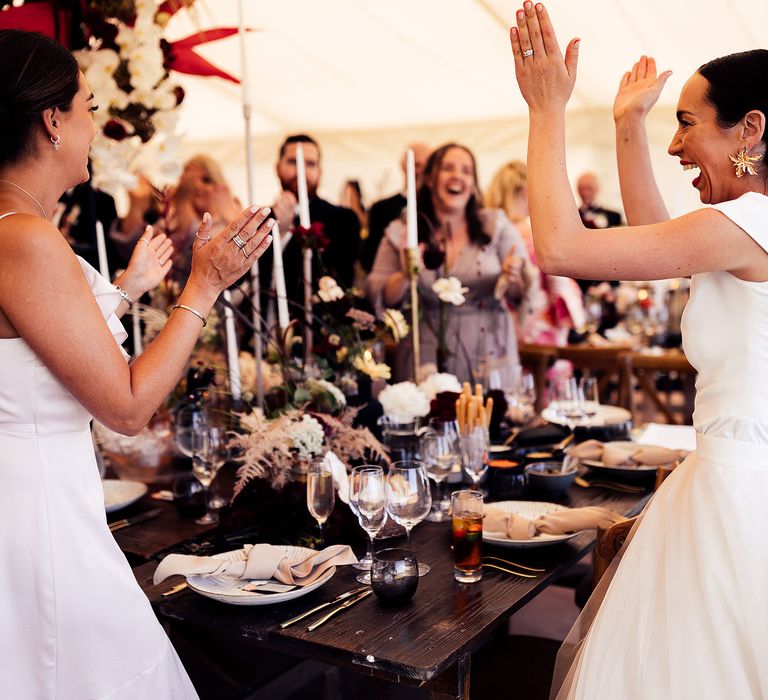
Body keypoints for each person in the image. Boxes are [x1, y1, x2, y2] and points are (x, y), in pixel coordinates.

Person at [0, 29, 274, 698]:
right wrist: (203, 287)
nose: (97, 126)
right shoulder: (23, 237)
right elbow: (126, 408)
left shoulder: (18, 228)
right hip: (42, 520)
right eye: (90, 107)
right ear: (53, 120)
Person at [510, 4, 768, 698]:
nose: (677, 148)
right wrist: (628, 124)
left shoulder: (749, 221)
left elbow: (562, 247)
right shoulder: (743, 231)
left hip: (735, 503)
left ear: (750, 130)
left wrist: (545, 110)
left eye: (685, 125)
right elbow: (657, 237)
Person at [367, 143, 533, 382]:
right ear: (431, 178)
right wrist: (405, 274)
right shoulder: (402, 231)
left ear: (474, 183)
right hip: (425, 358)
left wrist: (514, 275)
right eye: (448, 168)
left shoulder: (495, 226)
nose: (458, 175)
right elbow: (380, 295)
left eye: (467, 170)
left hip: (488, 352)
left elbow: (523, 292)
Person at [258, 134, 361, 326]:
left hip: (319, 333)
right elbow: (254, 281)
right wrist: (278, 233)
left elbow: (339, 282)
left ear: (320, 172)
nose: (301, 171)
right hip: (264, 329)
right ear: (277, 168)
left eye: (310, 164)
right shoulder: (259, 221)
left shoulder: (343, 220)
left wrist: (290, 234)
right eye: (292, 162)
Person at [485, 160, 585, 345]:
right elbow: (558, 281)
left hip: (495, 323)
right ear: (525, 191)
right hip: (537, 324)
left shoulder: (489, 232)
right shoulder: (532, 232)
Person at [113, 155, 241, 283]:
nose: (196, 185)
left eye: (206, 180)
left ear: (221, 185)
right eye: (189, 180)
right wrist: (137, 205)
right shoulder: (169, 223)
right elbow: (129, 251)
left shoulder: (230, 220)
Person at [361, 142, 431, 273]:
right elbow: (369, 259)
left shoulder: (439, 209)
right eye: (416, 165)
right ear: (403, 165)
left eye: (426, 166)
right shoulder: (380, 209)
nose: (421, 171)